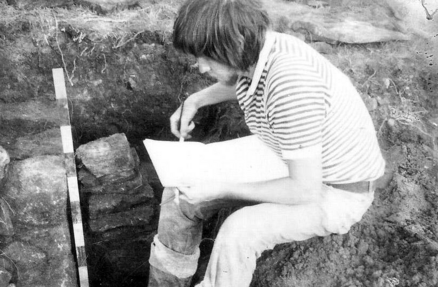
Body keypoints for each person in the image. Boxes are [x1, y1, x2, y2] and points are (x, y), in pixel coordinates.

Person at [147, 0, 386, 286]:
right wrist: (195, 100)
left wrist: (219, 188)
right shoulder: (261, 47)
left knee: (238, 232)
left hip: (335, 191)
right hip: (290, 157)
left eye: (206, 57)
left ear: (232, 47)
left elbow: (304, 189)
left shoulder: (291, 84)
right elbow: (239, 78)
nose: (200, 68)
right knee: (179, 191)